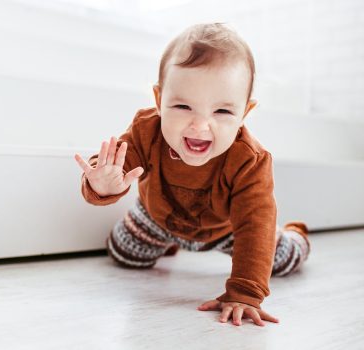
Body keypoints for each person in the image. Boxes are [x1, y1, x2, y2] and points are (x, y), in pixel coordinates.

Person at [74, 23, 310, 327]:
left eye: (222, 112)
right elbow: (117, 162)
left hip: (225, 230)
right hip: (156, 218)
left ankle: (295, 235)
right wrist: (102, 182)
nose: (200, 126)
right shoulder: (146, 130)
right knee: (124, 254)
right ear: (159, 100)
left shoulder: (249, 161)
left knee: (279, 260)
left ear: (244, 113)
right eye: (183, 106)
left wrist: (244, 293)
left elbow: (254, 224)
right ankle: (168, 243)